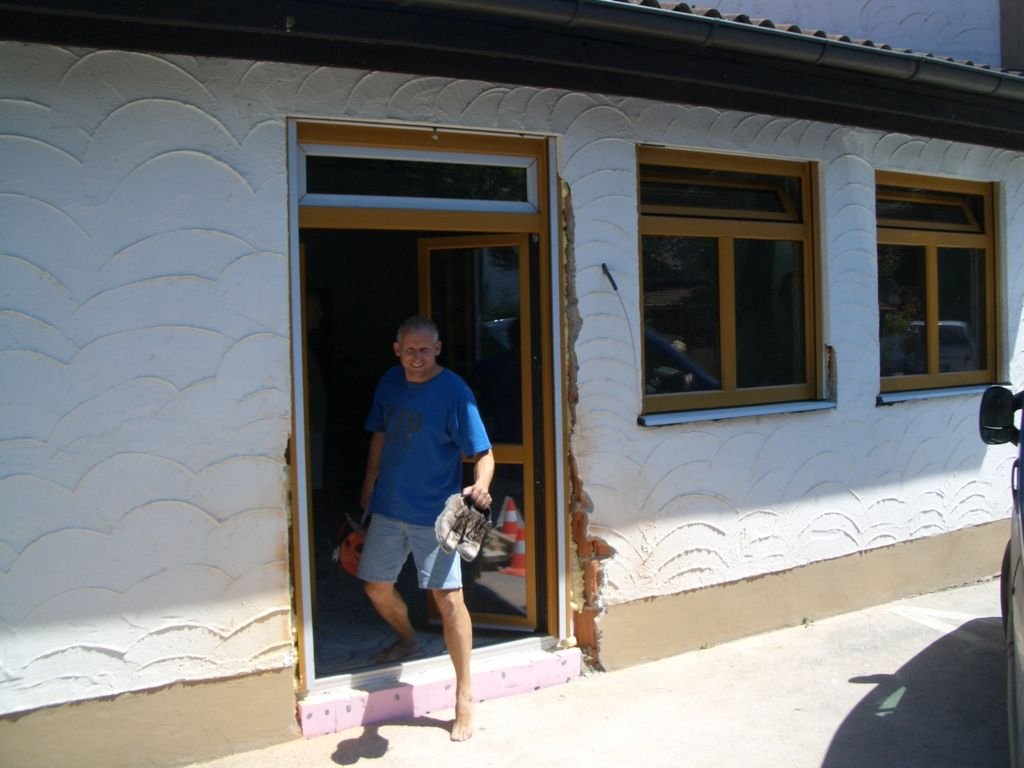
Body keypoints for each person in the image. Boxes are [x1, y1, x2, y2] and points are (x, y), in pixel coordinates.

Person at [357, 315, 494, 742]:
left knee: (449, 601)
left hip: (435, 516)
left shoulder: (454, 392)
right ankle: (408, 639)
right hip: (388, 507)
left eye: (424, 350)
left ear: (438, 350)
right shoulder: (389, 383)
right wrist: (368, 484)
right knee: (376, 587)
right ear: (397, 350)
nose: (417, 358)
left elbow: (484, 453)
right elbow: (379, 434)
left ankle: (464, 696)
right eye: (409, 351)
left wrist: (481, 485)